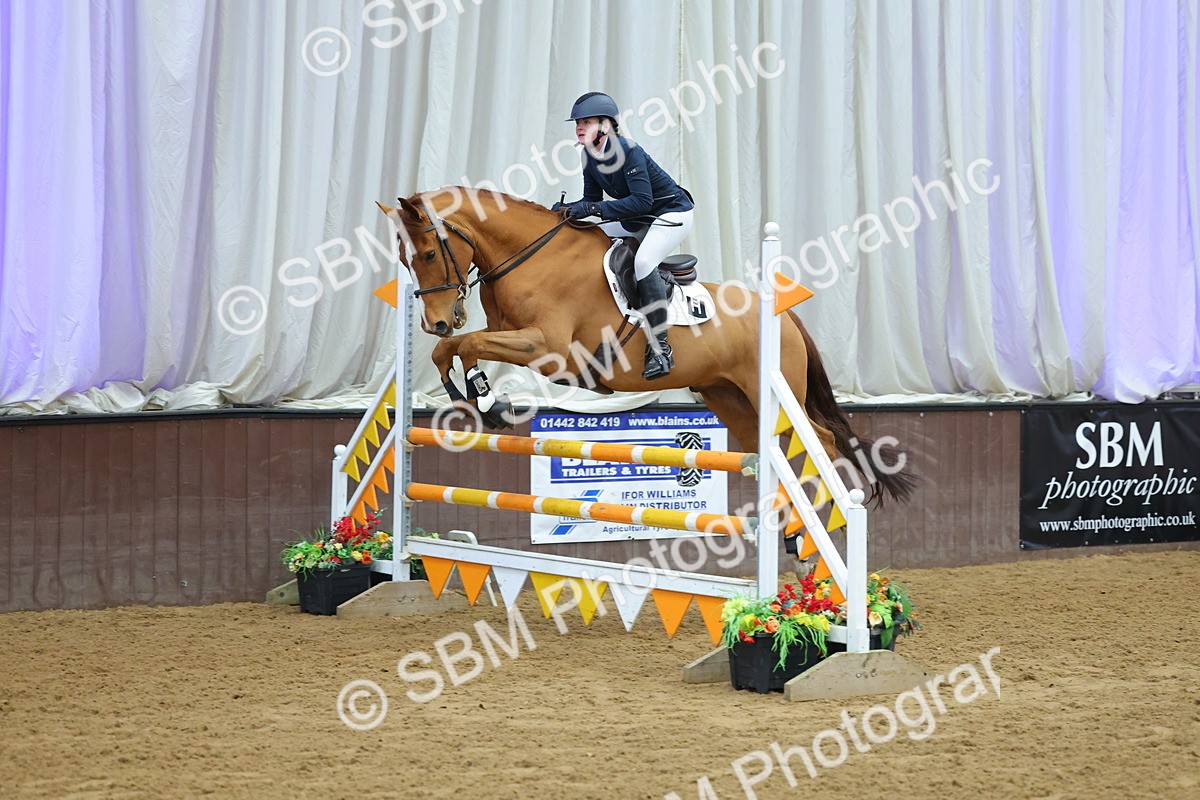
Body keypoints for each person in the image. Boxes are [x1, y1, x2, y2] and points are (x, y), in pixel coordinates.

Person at [552, 92, 694, 381]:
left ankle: (660, 350)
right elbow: (592, 199)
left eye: (586, 122)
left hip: (670, 214)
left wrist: (591, 209)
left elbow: (642, 201)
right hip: (637, 219)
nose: (579, 127)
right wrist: (568, 209)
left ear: (605, 126)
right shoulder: (588, 154)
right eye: (577, 123)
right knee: (588, 238)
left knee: (643, 263)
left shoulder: (629, 151)